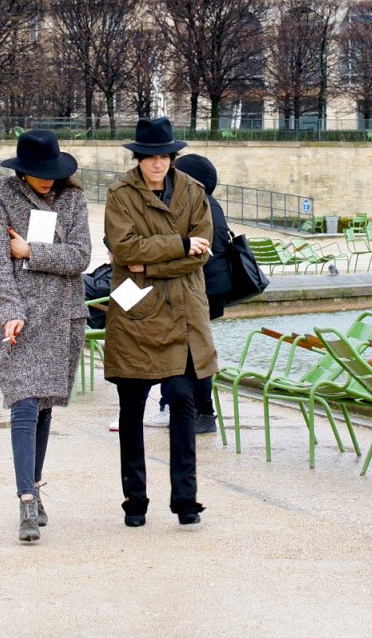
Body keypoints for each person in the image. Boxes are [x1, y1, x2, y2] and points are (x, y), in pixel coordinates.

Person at [103, 117, 219, 529]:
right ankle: (135, 501)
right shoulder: (119, 194)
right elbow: (123, 248)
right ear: (139, 158)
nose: (157, 164)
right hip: (137, 315)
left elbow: (202, 252)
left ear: (173, 156)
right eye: (150, 157)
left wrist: (148, 265)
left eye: (164, 156)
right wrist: (180, 246)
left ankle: (186, 501)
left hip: (184, 313)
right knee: (131, 410)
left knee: (184, 404)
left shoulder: (193, 191)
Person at [0, 129, 91, 543]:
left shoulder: (73, 199)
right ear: (21, 171)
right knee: (23, 405)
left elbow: (80, 257)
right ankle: (26, 497)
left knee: (44, 406)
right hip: (19, 317)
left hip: (62, 315)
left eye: (51, 172)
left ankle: (36, 485)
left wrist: (31, 253)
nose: (47, 180)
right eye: (38, 173)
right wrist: (10, 312)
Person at [146, 154, 232, 436]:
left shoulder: (199, 207)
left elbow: (195, 256)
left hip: (196, 292)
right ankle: (177, 407)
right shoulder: (207, 205)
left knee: (193, 353)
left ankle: (201, 411)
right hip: (204, 291)